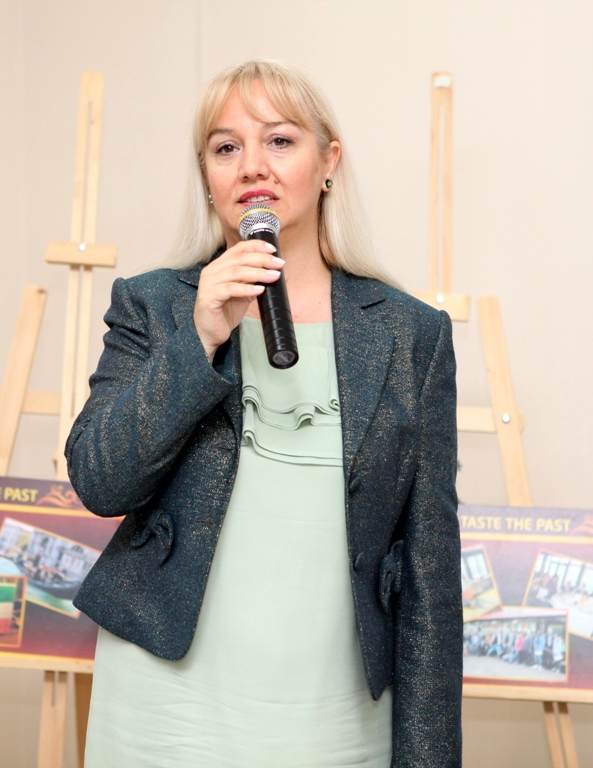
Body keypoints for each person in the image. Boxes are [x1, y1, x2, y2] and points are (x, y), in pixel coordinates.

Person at [66, 60, 462, 768]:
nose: (252, 165)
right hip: (166, 711)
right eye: (226, 147)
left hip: (334, 715)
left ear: (328, 161)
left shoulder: (409, 335)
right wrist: (199, 338)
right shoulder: (155, 306)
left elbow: (429, 573)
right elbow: (100, 481)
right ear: (207, 176)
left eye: (279, 140)